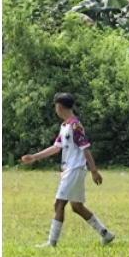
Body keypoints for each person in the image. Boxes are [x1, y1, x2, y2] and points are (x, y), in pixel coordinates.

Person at [20, 93, 115, 248]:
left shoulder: (75, 126)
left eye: (55, 106)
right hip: (70, 170)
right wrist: (34, 157)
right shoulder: (64, 126)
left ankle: (51, 242)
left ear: (60, 107)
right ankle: (106, 234)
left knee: (58, 204)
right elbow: (56, 147)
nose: (55, 110)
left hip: (75, 169)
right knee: (77, 207)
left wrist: (94, 171)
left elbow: (86, 149)